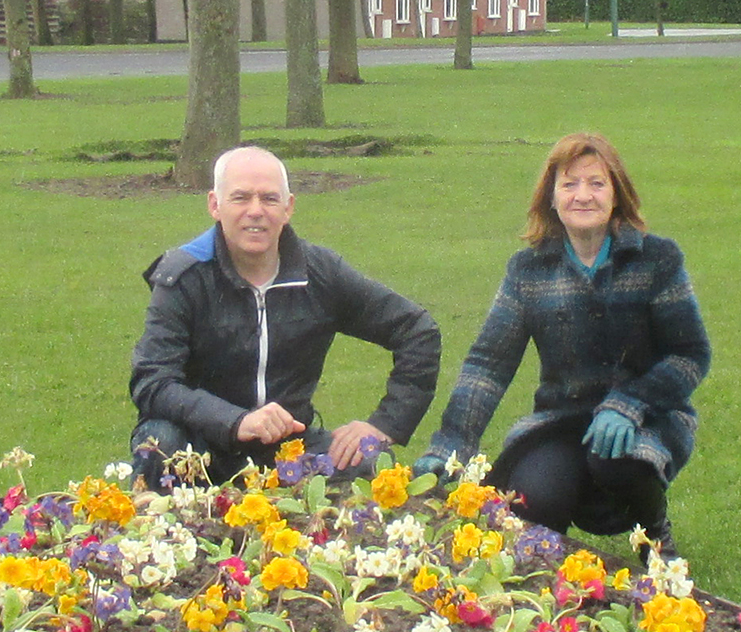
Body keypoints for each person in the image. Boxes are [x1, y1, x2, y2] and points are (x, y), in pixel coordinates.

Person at [412, 133, 711, 563]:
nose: (582, 196)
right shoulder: (528, 271)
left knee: (617, 460)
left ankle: (654, 533)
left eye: (596, 183)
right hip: (563, 422)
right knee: (531, 502)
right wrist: (451, 444)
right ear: (551, 198)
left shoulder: (656, 259)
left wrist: (629, 402)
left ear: (617, 194)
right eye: (569, 184)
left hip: (648, 418)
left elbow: (690, 354)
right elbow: (488, 365)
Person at [129, 146, 441, 491]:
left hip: (289, 448)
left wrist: (385, 425)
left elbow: (417, 331)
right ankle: (162, 540)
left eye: (269, 199)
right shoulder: (182, 277)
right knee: (158, 441)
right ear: (214, 205)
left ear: (288, 207)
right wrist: (236, 422)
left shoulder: (320, 273)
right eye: (240, 198)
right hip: (201, 444)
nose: (255, 211)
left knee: (367, 463)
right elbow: (153, 382)